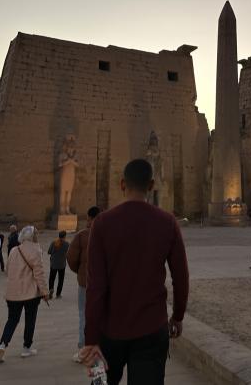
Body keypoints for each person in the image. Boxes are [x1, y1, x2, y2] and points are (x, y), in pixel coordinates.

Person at [80, 160, 189, 385]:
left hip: (106, 333)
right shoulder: (167, 223)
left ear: (122, 184)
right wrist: (177, 316)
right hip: (152, 330)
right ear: (150, 186)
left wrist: (90, 339)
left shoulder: (101, 224)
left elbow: (96, 286)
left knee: (98, 383)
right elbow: (180, 277)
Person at [0, 226, 49, 363]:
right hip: (30, 293)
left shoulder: (14, 250)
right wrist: (45, 292)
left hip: (13, 293)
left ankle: (2, 344)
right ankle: (26, 348)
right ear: (32, 237)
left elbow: (8, 270)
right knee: (30, 320)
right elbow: (39, 274)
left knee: (12, 320)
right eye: (36, 234)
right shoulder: (36, 251)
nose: (37, 236)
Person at [67, 205, 100, 362]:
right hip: (103, 284)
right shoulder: (109, 235)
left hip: (85, 283)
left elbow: (72, 259)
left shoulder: (82, 236)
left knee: (84, 314)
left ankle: (84, 348)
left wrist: (81, 272)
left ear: (89, 218)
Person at [48, 230, 70, 299]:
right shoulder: (67, 244)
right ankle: (58, 294)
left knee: (52, 278)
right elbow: (68, 253)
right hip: (62, 264)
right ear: (65, 236)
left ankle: (51, 289)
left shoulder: (54, 242)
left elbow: (49, 252)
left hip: (54, 263)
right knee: (60, 279)